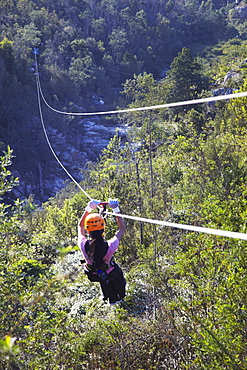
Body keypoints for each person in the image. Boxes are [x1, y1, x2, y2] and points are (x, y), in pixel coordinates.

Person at [78, 198, 126, 305]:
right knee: (115, 273)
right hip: (110, 273)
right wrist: (116, 209)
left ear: (88, 230)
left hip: (92, 274)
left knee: (102, 277)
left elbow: (80, 226)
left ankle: (110, 297)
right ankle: (118, 296)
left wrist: (89, 208)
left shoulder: (83, 244)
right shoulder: (110, 246)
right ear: (103, 228)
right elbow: (121, 229)